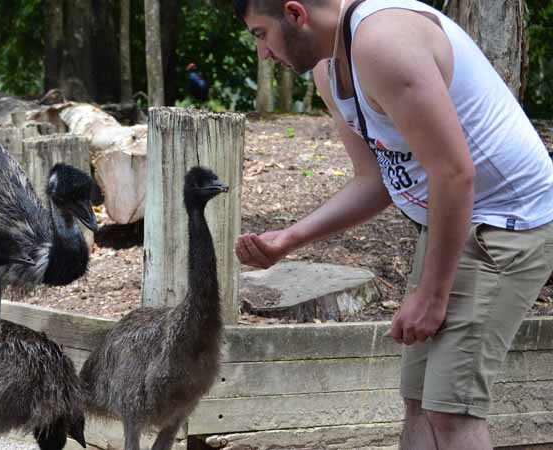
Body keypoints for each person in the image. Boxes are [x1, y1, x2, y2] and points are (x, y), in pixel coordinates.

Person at [232, 1, 553, 449]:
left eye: (261, 34)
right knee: (420, 399)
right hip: (454, 218)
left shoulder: (382, 41)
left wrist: (432, 296)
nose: (263, 54)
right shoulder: (332, 70)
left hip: (506, 221)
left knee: (451, 410)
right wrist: (289, 238)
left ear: (295, 12)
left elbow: (455, 174)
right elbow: (375, 182)